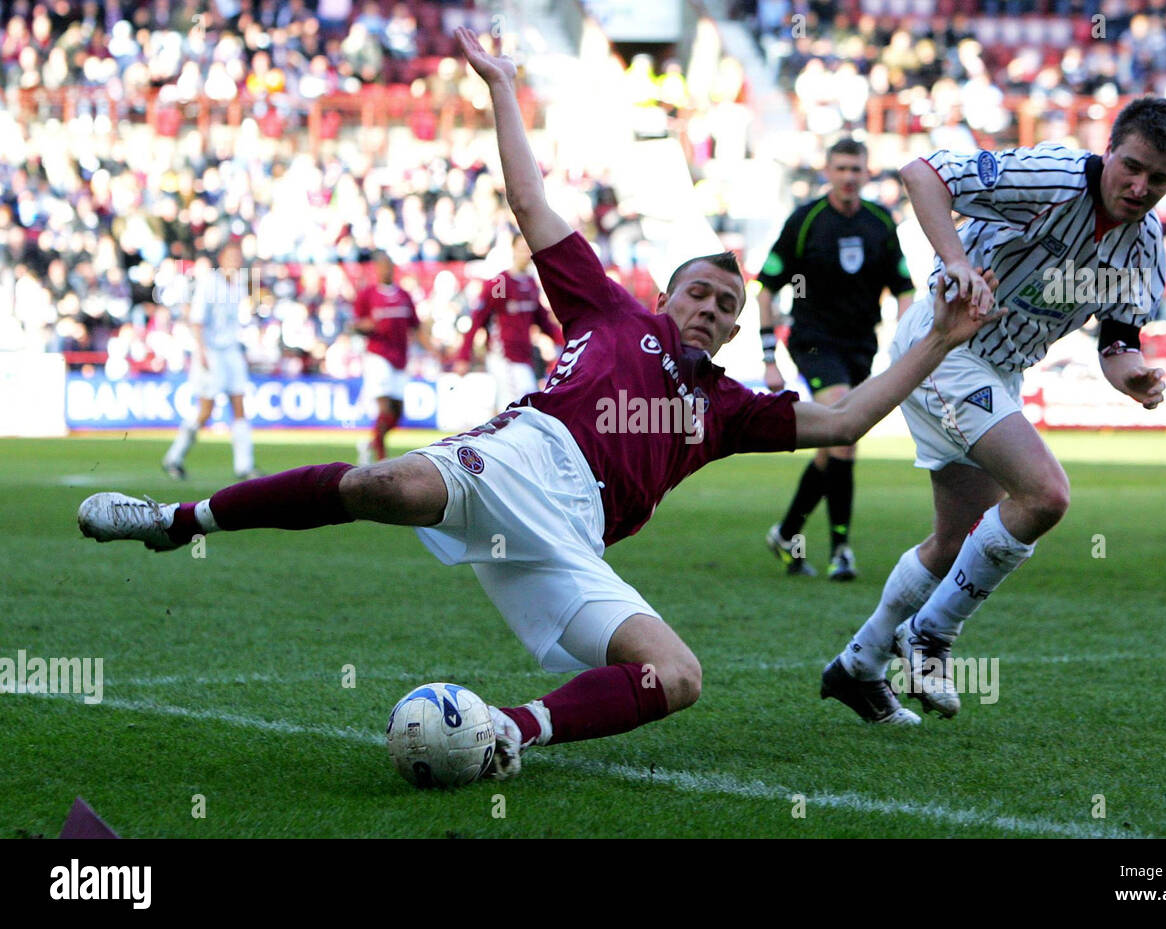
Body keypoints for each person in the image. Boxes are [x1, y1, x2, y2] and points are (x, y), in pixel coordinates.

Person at [76, 27, 1001, 777]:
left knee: (676, 675)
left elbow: (842, 420)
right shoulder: (606, 308)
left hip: (572, 535)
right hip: (522, 454)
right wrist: (503, 89)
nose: (711, 309)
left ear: (729, 329)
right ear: (666, 297)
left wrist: (937, 341)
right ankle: (175, 515)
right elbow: (531, 201)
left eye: (726, 305)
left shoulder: (725, 407)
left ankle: (506, 733)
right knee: (388, 488)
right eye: (698, 294)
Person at [822, 97, 1166, 726]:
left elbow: (1118, 342)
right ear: (1109, 150)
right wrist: (957, 262)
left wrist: (1130, 375)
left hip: (998, 369)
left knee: (955, 541)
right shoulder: (1050, 176)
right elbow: (922, 174)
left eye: (1160, 179)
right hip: (944, 349)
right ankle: (932, 635)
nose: (1140, 187)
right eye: (1131, 166)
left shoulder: (1145, 246)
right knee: (1046, 495)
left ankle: (857, 667)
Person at [758, 138, 915, 581]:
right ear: (827, 171)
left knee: (835, 443)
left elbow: (904, 287)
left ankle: (788, 533)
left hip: (860, 346)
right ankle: (841, 550)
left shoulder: (881, 222)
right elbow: (767, 288)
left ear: (868, 173)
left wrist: (904, 340)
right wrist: (769, 356)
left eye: (856, 169)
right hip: (812, 341)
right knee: (844, 435)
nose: (849, 176)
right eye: (841, 168)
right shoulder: (805, 221)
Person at [162, 241, 261, 481]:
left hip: (231, 351)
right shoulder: (209, 283)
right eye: (231, 256)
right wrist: (201, 352)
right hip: (211, 352)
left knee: (240, 405)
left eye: (238, 257)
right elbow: (197, 320)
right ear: (221, 259)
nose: (235, 261)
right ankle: (174, 457)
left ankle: (245, 467)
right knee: (206, 410)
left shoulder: (238, 285)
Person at [453, 232, 564, 412]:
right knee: (521, 408)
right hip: (504, 356)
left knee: (514, 410)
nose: (526, 254)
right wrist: (463, 356)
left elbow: (544, 323)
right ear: (513, 250)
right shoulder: (501, 284)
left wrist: (568, 342)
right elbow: (477, 320)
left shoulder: (529, 284)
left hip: (524, 357)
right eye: (522, 249)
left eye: (529, 249)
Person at [353, 251, 431, 465]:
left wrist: (432, 349)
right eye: (382, 266)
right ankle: (382, 459)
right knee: (384, 406)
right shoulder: (367, 294)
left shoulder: (404, 296)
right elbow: (355, 324)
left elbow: (416, 326)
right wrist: (363, 327)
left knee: (397, 413)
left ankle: (370, 444)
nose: (386, 270)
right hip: (378, 356)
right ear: (376, 269)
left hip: (400, 357)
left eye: (390, 266)